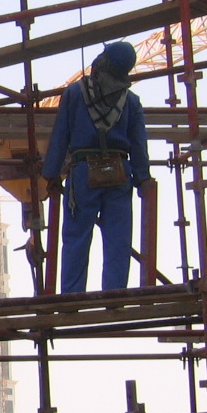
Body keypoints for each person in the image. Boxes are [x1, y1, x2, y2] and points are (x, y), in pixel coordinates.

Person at [42, 40, 150, 293]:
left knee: (76, 237)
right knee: (118, 239)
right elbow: (138, 144)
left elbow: (61, 135)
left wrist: (52, 174)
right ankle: (114, 294)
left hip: (83, 171)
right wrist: (143, 178)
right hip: (120, 171)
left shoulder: (75, 93)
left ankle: (72, 295)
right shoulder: (130, 100)